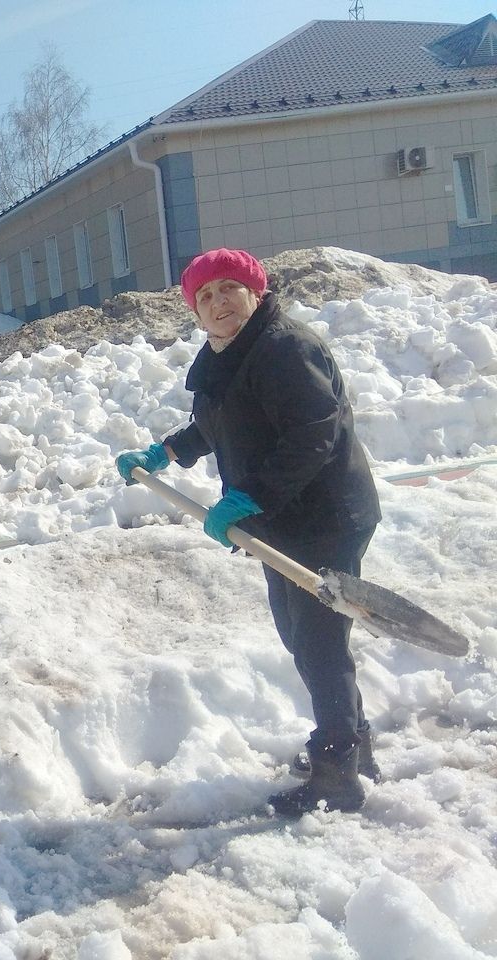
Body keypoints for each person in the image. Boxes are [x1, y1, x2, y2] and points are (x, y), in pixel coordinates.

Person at [115, 248, 381, 818]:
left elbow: (314, 434)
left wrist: (249, 497)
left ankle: (339, 772)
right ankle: (354, 744)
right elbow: (219, 421)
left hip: (324, 518)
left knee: (318, 644)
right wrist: (165, 453)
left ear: (256, 292)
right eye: (204, 296)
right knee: (302, 636)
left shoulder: (286, 348)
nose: (217, 303)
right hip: (282, 520)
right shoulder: (229, 355)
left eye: (228, 288)